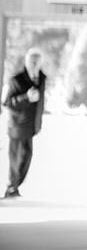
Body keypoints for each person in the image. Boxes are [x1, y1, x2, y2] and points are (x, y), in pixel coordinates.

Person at [4, 48, 46, 198]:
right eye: (31, 60)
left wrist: (38, 123)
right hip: (16, 126)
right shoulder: (16, 80)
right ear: (26, 61)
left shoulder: (42, 79)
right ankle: (11, 187)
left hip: (31, 126)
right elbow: (8, 103)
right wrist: (25, 97)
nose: (34, 63)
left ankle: (15, 186)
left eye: (37, 60)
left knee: (26, 157)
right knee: (16, 158)